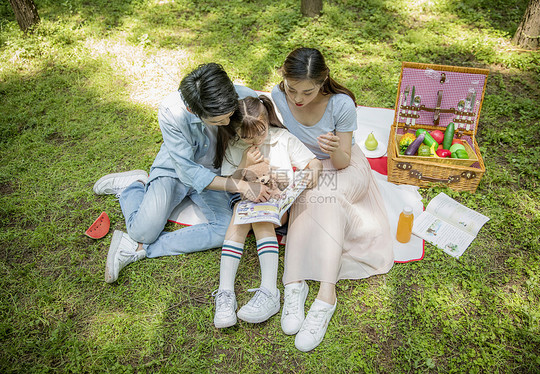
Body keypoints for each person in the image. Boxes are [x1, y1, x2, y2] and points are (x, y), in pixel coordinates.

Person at [93, 63, 272, 284]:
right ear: (192, 110)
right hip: (175, 171)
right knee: (143, 231)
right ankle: (134, 186)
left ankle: (139, 248)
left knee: (225, 229)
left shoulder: (243, 98)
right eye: (218, 122)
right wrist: (240, 185)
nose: (227, 123)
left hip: (216, 173)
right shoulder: (171, 111)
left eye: (229, 116)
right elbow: (187, 171)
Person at [271, 48, 394, 352]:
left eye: (308, 91)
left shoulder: (341, 105)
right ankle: (294, 285)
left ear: (323, 80)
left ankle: (327, 296)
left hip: (345, 165)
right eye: (292, 89)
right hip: (310, 165)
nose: (298, 98)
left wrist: (335, 147)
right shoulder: (278, 95)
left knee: (328, 196)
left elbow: (341, 162)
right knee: (306, 194)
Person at [212, 95, 321, 328]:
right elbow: (229, 181)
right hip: (245, 203)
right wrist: (244, 161)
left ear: (267, 121)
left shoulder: (282, 139)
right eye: (246, 137)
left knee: (260, 217)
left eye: (260, 133)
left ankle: (270, 290)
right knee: (238, 217)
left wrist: (311, 174)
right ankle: (225, 293)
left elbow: (314, 163)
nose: (255, 141)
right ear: (236, 131)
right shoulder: (236, 146)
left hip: (277, 206)